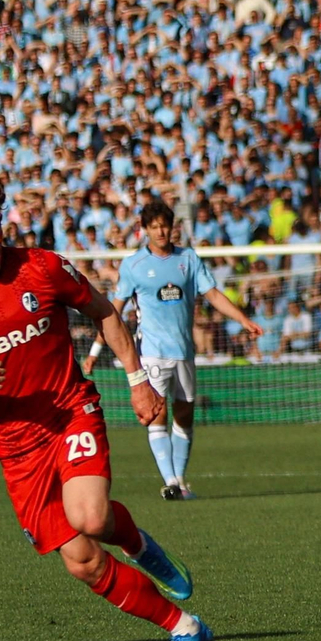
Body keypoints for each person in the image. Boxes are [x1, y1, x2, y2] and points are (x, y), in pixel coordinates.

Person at [0, 177, 210, 641]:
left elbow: (104, 311)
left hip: (70, 410)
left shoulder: (41, 267)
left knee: (90, 518)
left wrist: (138, 380)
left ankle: (141, 546)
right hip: (15, 446)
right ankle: (185, 628)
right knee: (82, 561)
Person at [85, 201, 264, 499]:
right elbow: (113, 312)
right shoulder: (133, 265)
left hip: (184, 351)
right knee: (157, 413)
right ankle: (170, 481)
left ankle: (179, 481)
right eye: (153, 227)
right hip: (151, 352)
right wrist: (95, 350)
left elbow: (213, 294)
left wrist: (243, 318)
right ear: (144, 230)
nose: (160, 231)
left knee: (184, 415)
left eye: (164, 225)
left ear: (172, 227)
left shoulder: (188, 259)